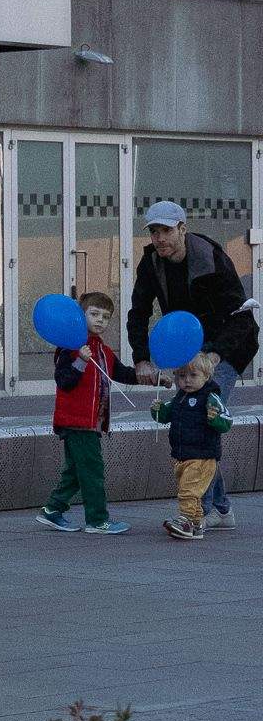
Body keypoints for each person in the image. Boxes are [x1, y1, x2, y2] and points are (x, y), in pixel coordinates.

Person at [127, 200, 257, 530]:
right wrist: (141, 357)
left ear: (183, 229)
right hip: (187, 345)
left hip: (227, 346)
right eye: (154, 232)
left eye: (167, 230)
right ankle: (221, 509)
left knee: (201, 417)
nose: (159, 238)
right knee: (192, 418)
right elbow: (138, 312)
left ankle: (198, 512)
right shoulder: (151, 262)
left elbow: (241, 317)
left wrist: (215, 355)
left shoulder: (211, 259)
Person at [37, 291, 137, 536]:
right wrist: (80, 361)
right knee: (92, 470)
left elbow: (121, 373)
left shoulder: (102, 349)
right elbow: (64, 381)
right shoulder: (69, 347)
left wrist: (154, 378)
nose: (100, 320)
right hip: (76, 422)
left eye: (106, 317)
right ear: (80, 316)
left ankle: (52, 510)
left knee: (75, 471)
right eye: (94, 314)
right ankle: (97, 519)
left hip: (91, 422)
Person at [152, 354, 233, 541]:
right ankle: (196, 525)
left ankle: (185, 521)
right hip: (183, 455)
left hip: (203, 456)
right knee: (192, 492)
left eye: (193, 375)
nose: (187, 380)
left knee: (188, 491)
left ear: (206, 376)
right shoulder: (180, 398)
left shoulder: (210, 397)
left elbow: (227, 421)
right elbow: (165, 414)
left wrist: (216, 419)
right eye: (181, 376)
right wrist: (157, 410)